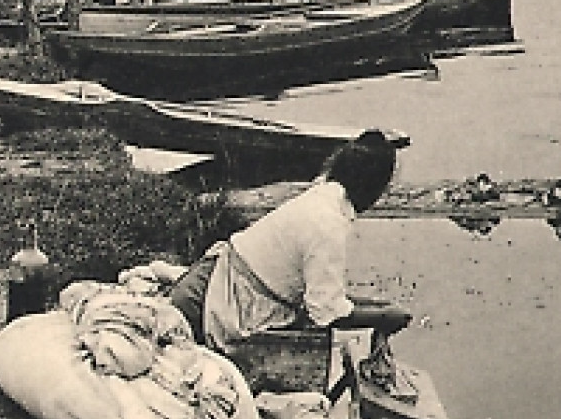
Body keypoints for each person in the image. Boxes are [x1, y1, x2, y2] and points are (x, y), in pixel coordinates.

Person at [168, 130, 412, 354]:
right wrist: (382, 317)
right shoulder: (328, 224)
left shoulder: (322, 193)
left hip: (207, 280)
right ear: (371, 188)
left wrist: (374, 306)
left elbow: (323, 293)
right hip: (210, 304)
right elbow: (325, 313)